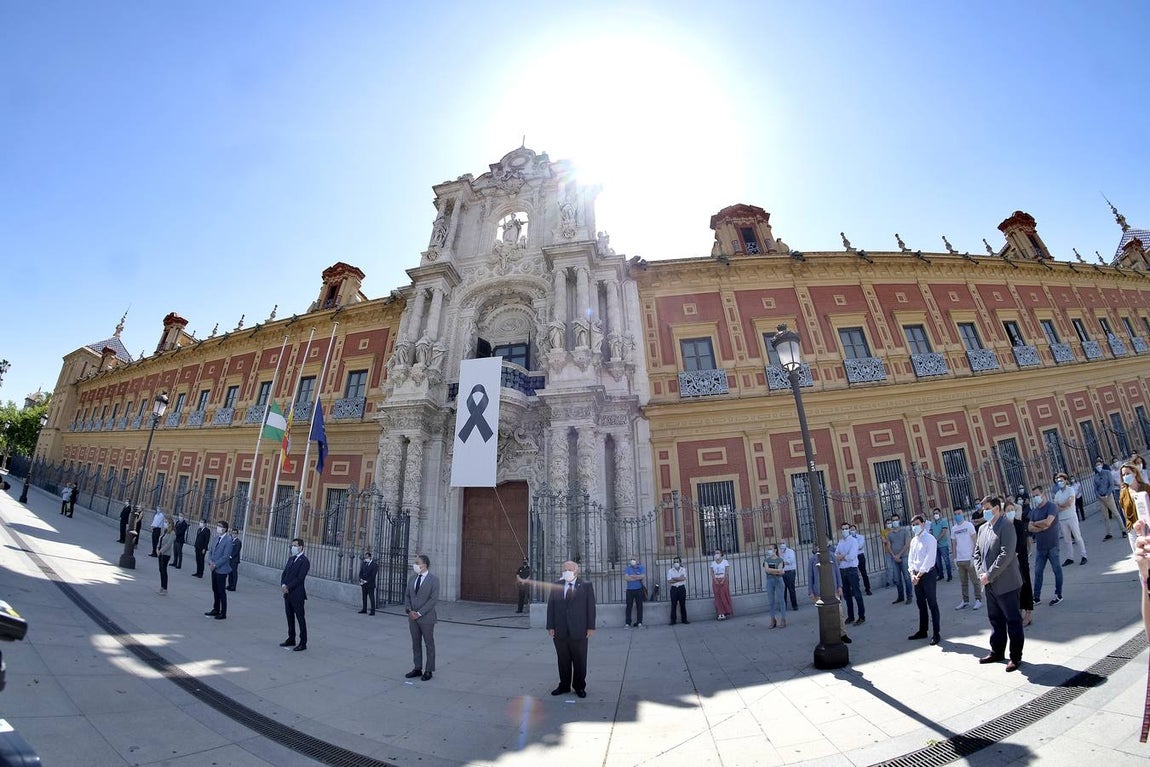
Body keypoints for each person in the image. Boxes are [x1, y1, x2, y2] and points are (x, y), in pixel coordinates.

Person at [972, 497, 1024, 672]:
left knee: (1013, 620)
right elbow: (977, 553)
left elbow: (1006, 554)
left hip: (1006, 583)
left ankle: (1015, 657)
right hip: (989, 584)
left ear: (997, 508)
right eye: (983, 509)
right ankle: (997, 651)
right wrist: (981, 573)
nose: (984, 512)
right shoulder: (982, 529)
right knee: (995, 620)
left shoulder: (1006, 526)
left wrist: (989, 574)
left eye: (987, 508)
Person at [546, 559, 596, 698]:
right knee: (563, 660)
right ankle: (564, 685)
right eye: (564, 569)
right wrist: (550, 626)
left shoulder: (586, 586)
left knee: (580, 660)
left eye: (569, 569)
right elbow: (551, 607)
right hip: (560, 629)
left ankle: (579, 686)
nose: (567, 572)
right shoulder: (557, 585)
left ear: (576, 571)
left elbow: (590, 608)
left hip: (579, 630)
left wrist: (591, 627)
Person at [906, 514, 940, 645]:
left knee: (932, 603)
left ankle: (936, 633)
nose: (915, 527)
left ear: (923, 524)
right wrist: (912, 574)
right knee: (920, 604)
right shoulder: (914, 541)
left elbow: (929, 560)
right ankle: (923, 630)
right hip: (916, 576)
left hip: (927, 575)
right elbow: (911, 559)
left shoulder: (930, 539)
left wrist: (918, 575)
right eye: (913, 525)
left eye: (917, 524)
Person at [808, 542, 850, 644]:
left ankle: (843, 634)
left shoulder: (832, 556)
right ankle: (826, 636)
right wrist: (811, 592)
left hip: (833, 589)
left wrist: (840, 586)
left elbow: (837, 571)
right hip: (819, 591)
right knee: (822, 615)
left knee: (839, 613)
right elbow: (810, 577)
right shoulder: (812, 559)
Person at [402, 554, 438, 679]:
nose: (415, 565)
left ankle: (429, 670)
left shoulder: (433, 580)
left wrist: (419, 613)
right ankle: (417, 667)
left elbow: (433, 600)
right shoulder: (412, 579)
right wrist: (409, 610)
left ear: (424, 565)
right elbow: (407, 596)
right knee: (415, 643)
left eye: (417, 563)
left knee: (429, 644)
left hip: (426, 618)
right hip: (412, 618)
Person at [1029, 485, 1063, 605]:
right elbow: (1030, 527)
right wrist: (1041, 526)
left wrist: (1036, 523)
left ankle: (1058, 594)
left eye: (1037, 495)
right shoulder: (1034, 511)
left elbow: (1048, 522)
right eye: (1033, 496)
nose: (1035, 498)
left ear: (1043, 494)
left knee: (1057, 570)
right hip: (1040, 547)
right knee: (1038, 572)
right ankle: (1036, 597)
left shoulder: (1051, 507)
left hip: (1052, 545)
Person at [1006, 499, 1034, 627]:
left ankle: (1028, 613)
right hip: (1010, 563)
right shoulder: (1005, 526)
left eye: (1012, 510)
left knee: (1025, 585)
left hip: (1021, 560)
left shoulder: (1019, 524)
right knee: (1016, 588)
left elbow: (1022, 543)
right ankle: (1019, 610)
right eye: (1008, 510)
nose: (1011, 512)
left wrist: (1014, 553)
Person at [279, 538, 311, 651]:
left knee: (300, 618)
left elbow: (300, 578)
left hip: (297, 594)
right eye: (292, 545)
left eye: (295, 545)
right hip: (287, 593)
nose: (293, 547)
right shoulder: (291, 559)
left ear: (301, 547)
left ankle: (303, 642)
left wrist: (288, 587)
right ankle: (291, 638)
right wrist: (283, 584)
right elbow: (285, 573)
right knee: (289, 617)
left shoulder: (304, 561)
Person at [835, 522, 866, 625]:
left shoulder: (853, 541)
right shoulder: (840, 542)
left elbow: (851, 556)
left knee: (857, 594)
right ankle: (851, 616)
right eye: (843, 529)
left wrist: (842, 557)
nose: (845, 530)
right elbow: (836, 555)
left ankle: (861, 616)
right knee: (847, 596)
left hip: (852, 570)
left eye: (846, 528)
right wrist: (843, 556)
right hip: (842, 570)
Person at [1053, 472, 1086, 566]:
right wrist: (1063, 506)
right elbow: (1056, 506)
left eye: (1061, 480)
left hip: (1071, 516)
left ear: (1065, 481)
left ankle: (1083, 555)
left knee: (1077, 537)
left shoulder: (1070, 490)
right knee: (1067, 540)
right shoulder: (1057, 494)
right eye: (1058, 481)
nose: (1059, 482)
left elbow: (1070, 502)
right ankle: (1070, 557)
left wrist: (1062, 506)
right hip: (1062, 519)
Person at [952, 508, 982, 610]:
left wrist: (974, 556)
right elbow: (954, 544)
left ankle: (978, 599)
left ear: (963, 514)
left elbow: (975, 540)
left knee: (975, 580)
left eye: (959, 513)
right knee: (963, 582)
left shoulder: (969, 525)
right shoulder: (954, 528)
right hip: (960, 559)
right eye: (955, 514)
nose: (957, 516)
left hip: (969, 558)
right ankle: (965, 601)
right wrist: (955, 558)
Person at [1119, 461, 1150, 551]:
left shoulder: (1146, 488)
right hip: (1132, 530)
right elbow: (1124, 512)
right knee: (1140, 558)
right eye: (1123, 475)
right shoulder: (1123, 493)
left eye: (1128, 473)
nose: (1125, 477)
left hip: (1147, 527)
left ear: (1135, 473)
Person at [205, 520, 232, 620]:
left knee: (221, 591)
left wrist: (215, 564)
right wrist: (210, 562)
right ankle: (215, 609)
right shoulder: (216, 538)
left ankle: (223, 612)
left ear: (225, 529)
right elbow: (211, 551)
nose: (218, 528)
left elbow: (225, 556)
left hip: (221, 570)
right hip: (214, 568)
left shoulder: (228, 540)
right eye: (218, 526)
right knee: (215, 589)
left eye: (220, 526)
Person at [885, 515, 913, 605]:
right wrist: (894, 556)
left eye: (896, 520)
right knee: (897, 578)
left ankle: (909, 596)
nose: (894, 522)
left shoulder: (905, 531)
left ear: (899, 520)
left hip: (904, 557)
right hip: (894, 559)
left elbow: (907, 544)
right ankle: (900, 596)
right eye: (893, 520)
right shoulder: (889, 534)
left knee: (907, 577)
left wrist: (899, 555)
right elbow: (888, 546)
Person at [1095, 457, 1120, 541]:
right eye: (1096, 465)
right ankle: (1109, 533)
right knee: (1105, 516)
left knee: (1116, 513)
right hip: (1101, 498)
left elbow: (1111, 484)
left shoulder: (1107, 472)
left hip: (1108, 496)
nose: (1098, 466)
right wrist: (1100, 496)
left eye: (1099, 464)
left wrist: (1107, 494)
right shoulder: (1096, 476)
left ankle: (1123, 530)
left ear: (1102, 465)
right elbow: (1095, 489)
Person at [762, 544, 786, 628]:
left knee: (781, 600)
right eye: (768, 549)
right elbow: (767, 570)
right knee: (771, 601)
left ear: (775, 550)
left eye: (770, 549)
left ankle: (783, 619)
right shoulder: (766, 560)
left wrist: (772, 571)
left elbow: (776, 570)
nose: (769, 550)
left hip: (779, 580)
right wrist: (777, 571)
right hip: (770, 581)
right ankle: (773, 620)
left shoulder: (780, 560)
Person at [710, 549, 734, 620]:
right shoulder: (713, 563)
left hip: (723, 580)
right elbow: (712, 573)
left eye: (718, 553)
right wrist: (715, 580)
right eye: (715, 553)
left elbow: (726, 571)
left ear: (721, 554)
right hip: (716, 581)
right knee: (717, 597)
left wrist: (723, 579)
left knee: (724, 595)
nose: (716, 554)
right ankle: (720, 613)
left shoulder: (725, 562)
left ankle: (726, 611)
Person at [930, 508, 952, 581]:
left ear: (940, 513)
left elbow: (944, 531)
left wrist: (937, 539)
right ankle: (941, 575)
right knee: (938, 562)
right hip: (935, 546)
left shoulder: (944, 521)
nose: (935, 515)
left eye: (937, 513)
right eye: (934, 513)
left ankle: (949, 575)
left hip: (943, 544)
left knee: (946, 560)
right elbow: (931, 532)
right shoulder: (932, 523)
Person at [624, 555, 645, 627]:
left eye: (634, 559)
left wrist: (632, 576)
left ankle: (639, 622)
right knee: (628, 606)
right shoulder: (628, 568)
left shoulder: (641, 567)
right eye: (631, 559)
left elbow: (642, 576)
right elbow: (626, 578)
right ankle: (628, 622)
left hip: (638, 589)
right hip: (629, 590)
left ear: (637, 561)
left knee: (639, 606)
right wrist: (637, 577)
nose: (632, 560)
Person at [851, 525, 872, 595]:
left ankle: (868, 589)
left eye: (853, 529)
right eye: (851, 530)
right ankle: (854, 590)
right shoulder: (849, 539)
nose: (852, 531)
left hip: (860, 556)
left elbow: (860, 546)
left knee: (864, 573)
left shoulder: (860, 537)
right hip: (853, 557)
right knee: (854, 574)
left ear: (856, 530)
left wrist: (852, 547)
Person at [666, 556, 688, 625]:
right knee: (673, 605)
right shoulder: (670, 571)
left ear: (680, 562)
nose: (676, 563)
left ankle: (684, 619)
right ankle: (673, 620)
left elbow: (684, 578)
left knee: (682, 604)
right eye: (675, 562)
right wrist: (679, 578)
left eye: (677, 562)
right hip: (674, 589)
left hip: (681, 588)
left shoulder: (683, 569)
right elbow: (669, 581)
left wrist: (674, 578)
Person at [779, 539, 799, 609]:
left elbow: (790, 561)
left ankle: (794, 605)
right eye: (780, 543)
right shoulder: (779, 553)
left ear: (786, 543)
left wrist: (782, 562)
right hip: (782, 573)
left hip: (790, 572)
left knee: (791, 589)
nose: (782, 544)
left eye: (783, 543)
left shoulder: (790, 551)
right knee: (783, 590)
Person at [156, 516, 173, 595]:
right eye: (164, 522)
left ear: (170, 524)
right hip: (160, 553)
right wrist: (157, 548)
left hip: (166, 554)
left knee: (164, 570)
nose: (165, 523)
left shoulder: (172, 533)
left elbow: (168, 544)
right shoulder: (165, 531)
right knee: (160, 569)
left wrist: (161, 551)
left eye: (166, 522)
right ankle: (162, 586)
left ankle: (165, 588)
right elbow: (161, 539)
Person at [359, 550, 378, 615]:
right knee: (364, 597)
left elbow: (373, 575)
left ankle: (373, 611)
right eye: (365, 557)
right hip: (363, 584)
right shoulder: (364, 563)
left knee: (371, 597)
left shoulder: (374, 565)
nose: (365, 558)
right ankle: (364, 609)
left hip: (370, 584)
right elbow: (361, 572)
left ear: (370, 557)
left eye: (367, 557)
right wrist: (361, 579)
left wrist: (367, 581)